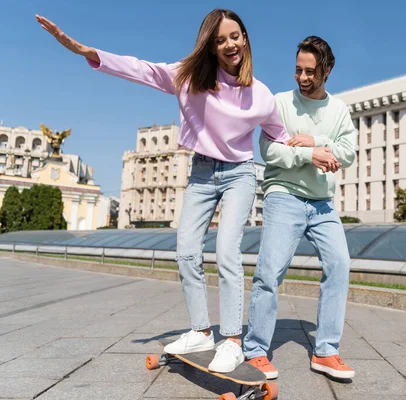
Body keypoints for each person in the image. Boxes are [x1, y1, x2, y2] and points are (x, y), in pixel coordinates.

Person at [35, 9, 289, 373]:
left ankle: (232, 340)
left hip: (240, 175)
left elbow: (279, 135)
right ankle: (202, 330)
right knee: (185, 250)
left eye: (235, 36)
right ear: (211, 47)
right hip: (201, 173)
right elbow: (141, 69)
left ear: (245, 38)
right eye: (220, 40)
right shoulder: (189, 77)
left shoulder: (261, 95)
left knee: (226, 251)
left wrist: (310, 148)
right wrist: (87, 52)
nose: (229, 44)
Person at [243, 36, 356, 380]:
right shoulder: (279, 103)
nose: (303, 78)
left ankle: (326, 351)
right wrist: (311, 155)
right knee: (269, 271)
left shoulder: (339, 111)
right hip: (283, 194)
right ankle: (256, 350)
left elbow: (347, 152)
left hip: (322, 203)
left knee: (339, 263)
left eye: (311, 72)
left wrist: (316, 141)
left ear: (327, 71)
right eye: (298, 70)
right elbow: (270, 151)